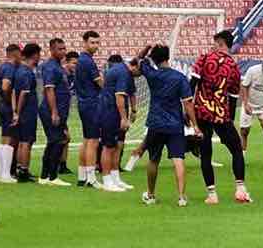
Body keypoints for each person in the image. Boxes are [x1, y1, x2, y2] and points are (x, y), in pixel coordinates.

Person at [136, 45, 202, 206]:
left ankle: (151, 195)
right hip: (175, 124)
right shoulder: (179, 77)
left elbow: (138, 60)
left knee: (153, 160)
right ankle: (181, 197)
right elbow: (187, 103)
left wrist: (146, 49)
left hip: (156, 123)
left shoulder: (152, 74)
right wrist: (195, 126)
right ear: (168, 57)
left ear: (154, 59)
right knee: (178, 159)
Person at [191, 30, 252, 204]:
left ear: (220, 43)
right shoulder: (233, 67)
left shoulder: (204, 58)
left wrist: (188, 111)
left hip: (202, 112)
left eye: (215, 42)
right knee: (236, 150)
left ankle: (212, 194)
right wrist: (230, 118)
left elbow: (192, 85)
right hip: (221, 114)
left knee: (206, 153)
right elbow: (233, 97)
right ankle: (240, 189)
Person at [98, 56, 140, 192]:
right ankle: (106, 179)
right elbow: (119, 96)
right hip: (110, 111)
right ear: (134, 67)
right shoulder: (122, 73)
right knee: (108, 146)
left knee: (117, 145)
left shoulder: (128, 73)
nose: (140, 75)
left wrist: (133, 110)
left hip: (119, 112)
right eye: (140, 72)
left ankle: (115, 177)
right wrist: (123, 118)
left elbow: (132, 93)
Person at [37, 38, 72, 187]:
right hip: (51, 111)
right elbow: (49, 89)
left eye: (64, 49)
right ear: (51, 50)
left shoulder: (59, 66)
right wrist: (54, 112)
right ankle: (52, 176)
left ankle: (45, 176)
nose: (63, 51)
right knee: (57, 141)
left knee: (54, 142)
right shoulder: (50, 67)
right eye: (60, 49)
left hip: (60, 111)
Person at [75, 31, 104, 188]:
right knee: (93, 141)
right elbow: (100, 82)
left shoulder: (82, 60)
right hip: (91, 103)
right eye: (92, 42)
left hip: (83, 103)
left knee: (86, 140)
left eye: (97, 43)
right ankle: (91, 179)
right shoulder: (87, 61)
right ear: (84, 43)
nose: (95, 46)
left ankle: (82, 176)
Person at [13, 43, 42, 183]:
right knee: (27, 141)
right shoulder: (26, 72)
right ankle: (24, 170)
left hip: (24, 111)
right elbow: (23, 94)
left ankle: (20, 168)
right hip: (27, 112)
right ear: (35, 55)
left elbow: (14, 92)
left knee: (22, 141)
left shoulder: (20, 70)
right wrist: (18, 112)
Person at [0, 44, 22, 184]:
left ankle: (1, 173)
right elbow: (6, 87)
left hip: (3, 106)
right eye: (20, 54)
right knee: (9, 140)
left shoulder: (3, 66)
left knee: (4, 138)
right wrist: (12, 109)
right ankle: (5, 174)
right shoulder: (9, 68)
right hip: (8, 107)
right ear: (15, 54)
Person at [58, 51, 79, 175]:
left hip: (64, 111)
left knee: (65, 139)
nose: (76, 66)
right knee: (62, 138)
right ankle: (57, 165)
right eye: (74, 63)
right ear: (66, 62)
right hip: (57, 111)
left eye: (77, 63)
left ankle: (62, 165)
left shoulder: (74, 76)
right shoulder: (61, 75)